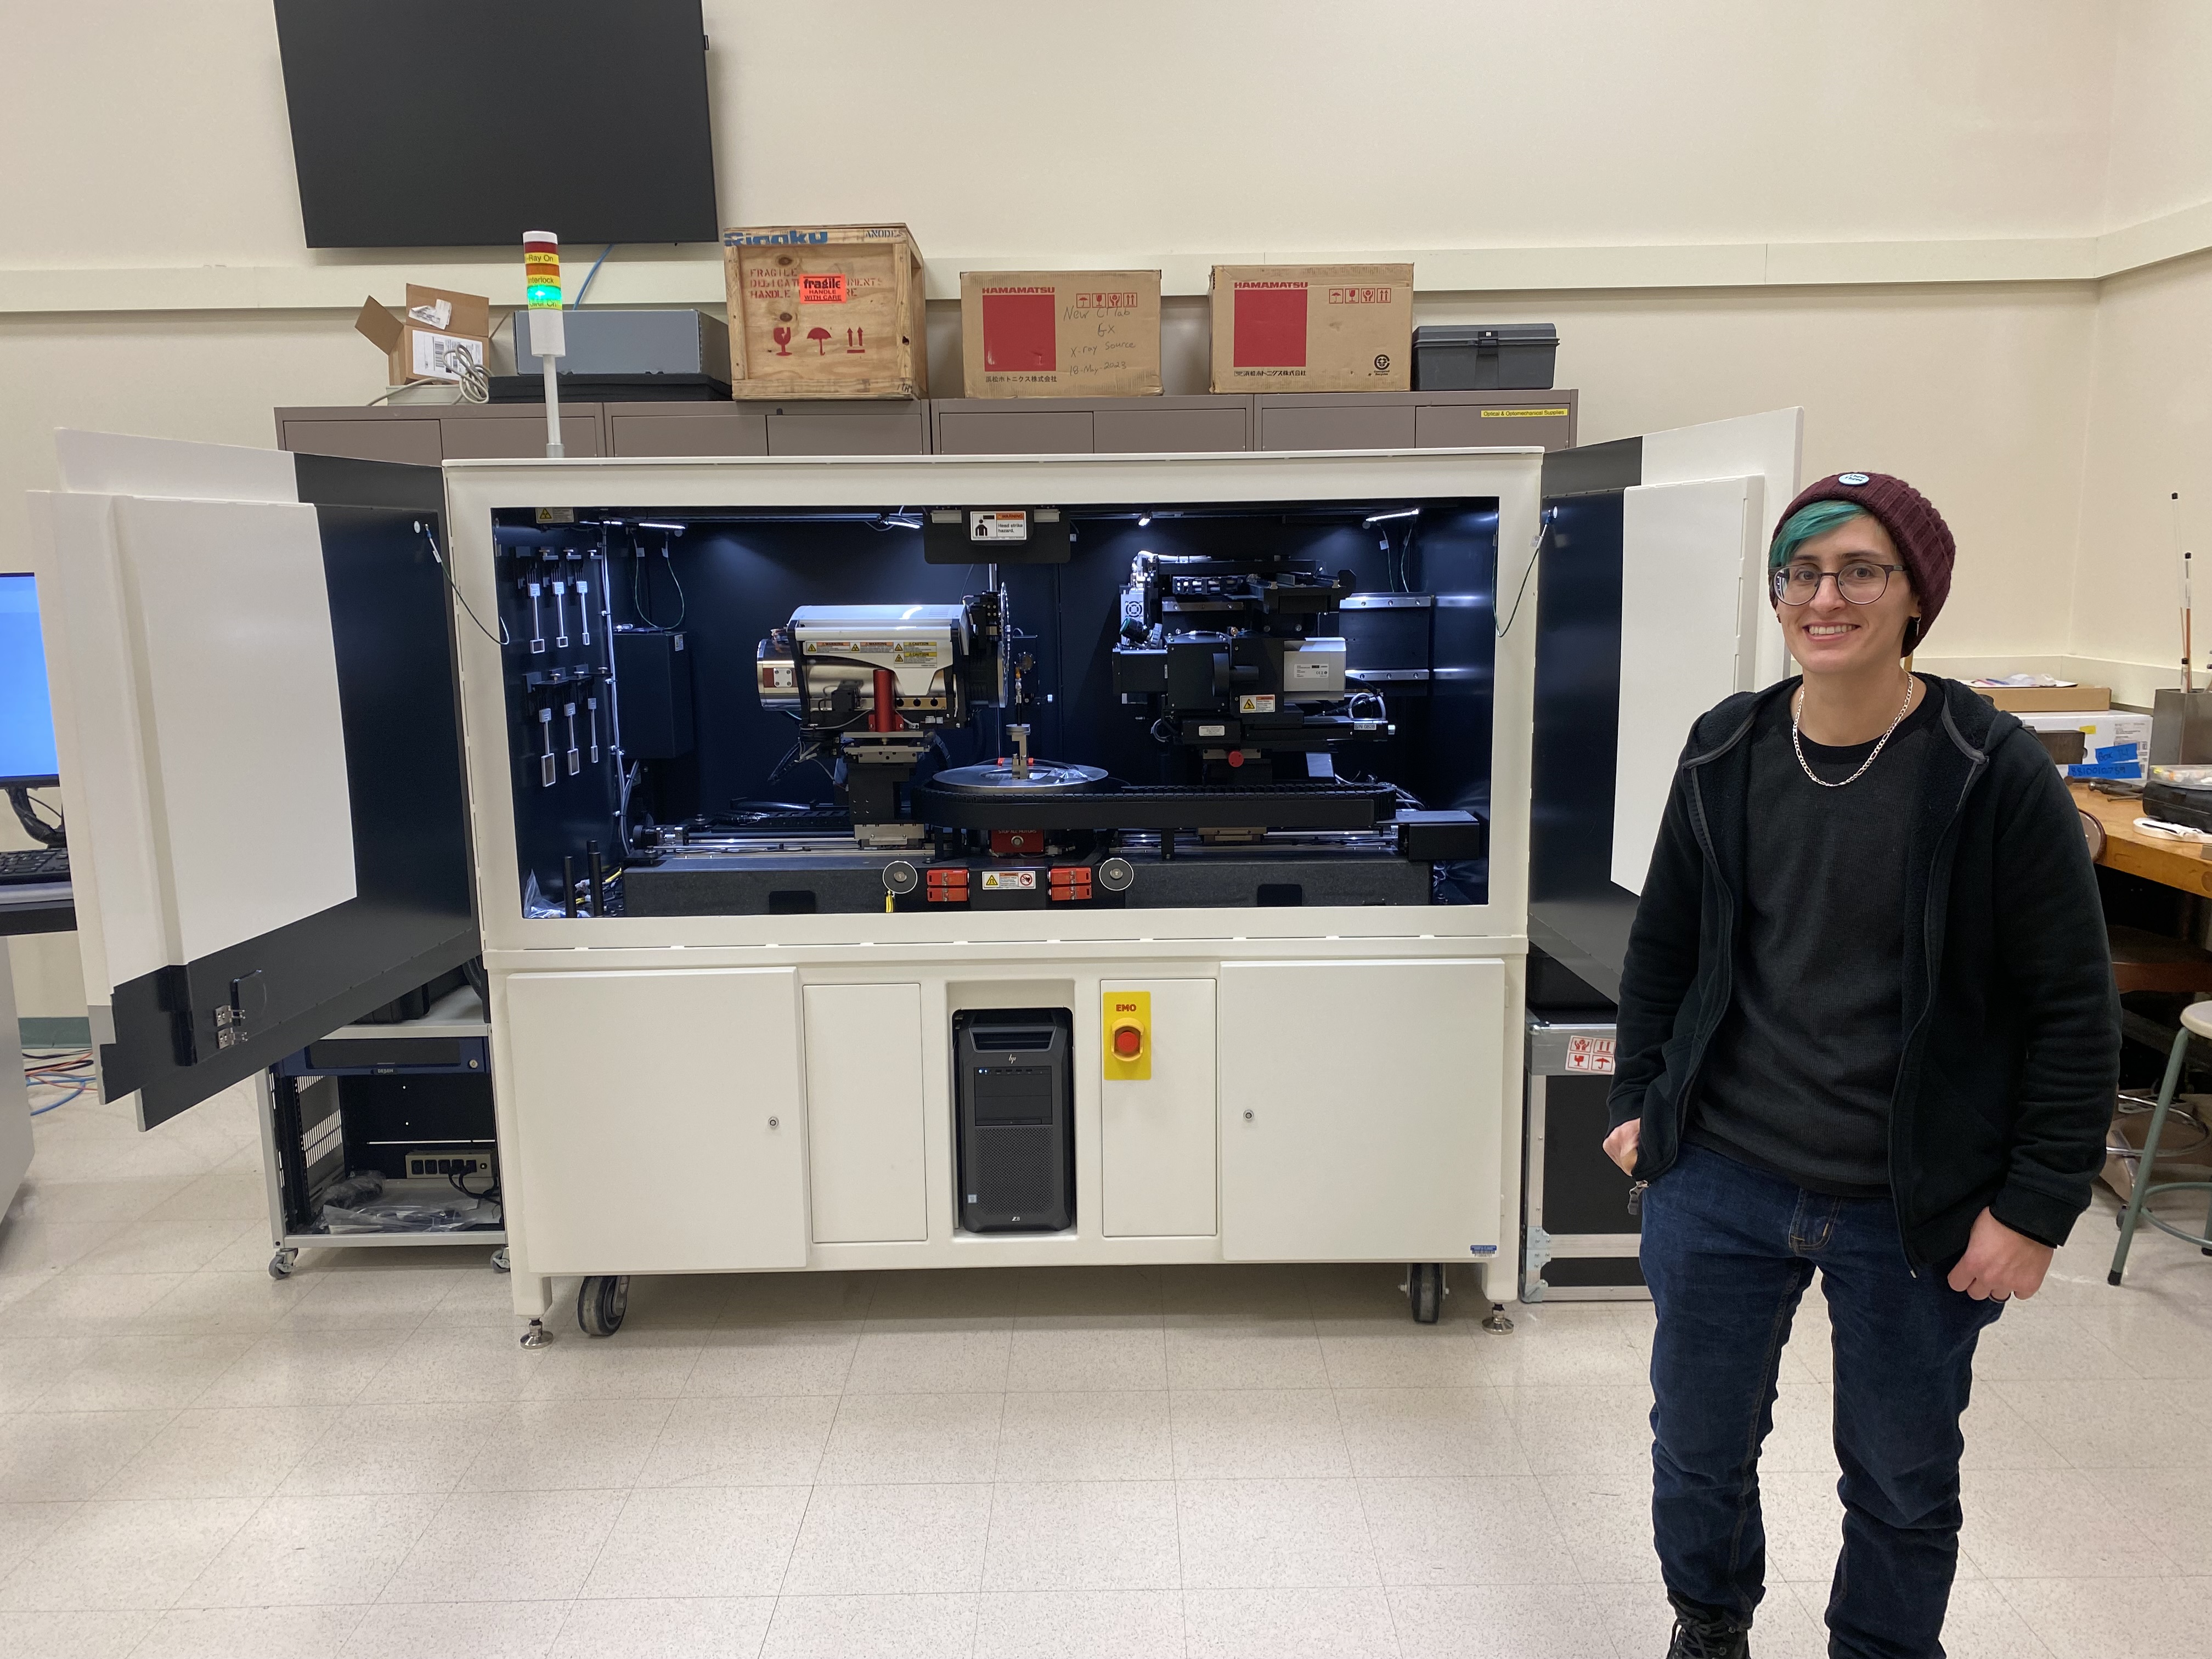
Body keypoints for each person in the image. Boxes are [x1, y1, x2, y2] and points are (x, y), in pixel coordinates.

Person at [1602, 471, 2119, 1659]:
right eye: (1802, 572)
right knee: (1697, 1445)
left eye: (1859, 570)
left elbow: (2072, 1011)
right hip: (1723, 1178)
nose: (1825, 595)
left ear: (1913, 596)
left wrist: (2036, 1208)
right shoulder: (1727, 747)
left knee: (1899, 1474)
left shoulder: (1992, 776)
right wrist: (1640, 1103)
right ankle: (1709, 1624)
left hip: (1917, 1205)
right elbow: (1665, 948)